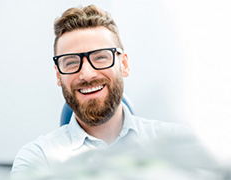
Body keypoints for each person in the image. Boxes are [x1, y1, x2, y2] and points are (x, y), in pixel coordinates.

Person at [11, 4, 214, 178]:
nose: (87, 74)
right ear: (58, 75)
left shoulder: (177, 143)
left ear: (123, 64)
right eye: (71, 62)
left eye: (100, 57)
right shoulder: (38, 159)